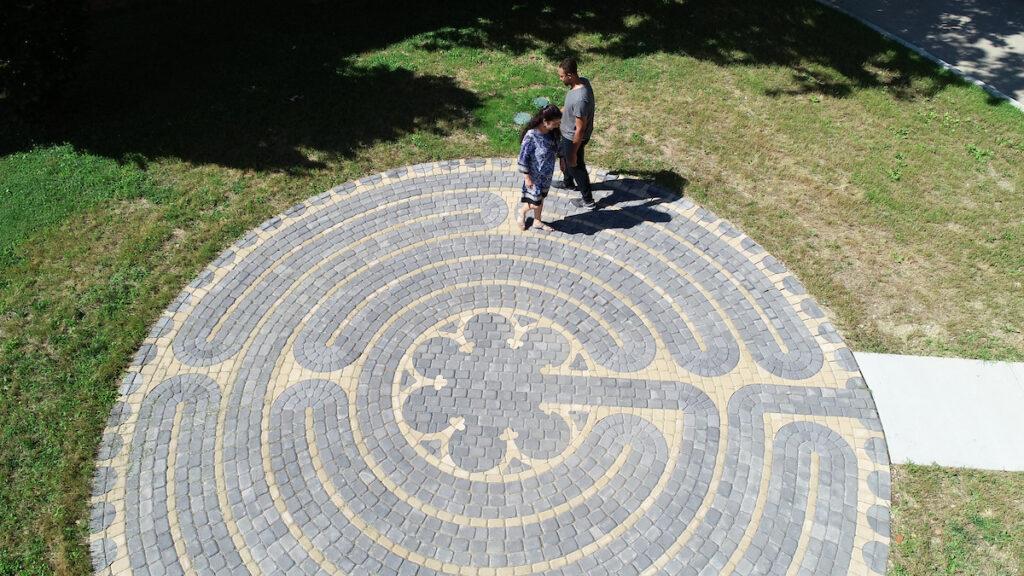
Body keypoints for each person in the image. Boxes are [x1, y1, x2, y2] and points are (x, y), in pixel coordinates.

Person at [556, 57, 596, 208]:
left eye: (562, 76)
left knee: (575, 165)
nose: (560, 79)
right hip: (566, 132)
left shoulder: (580, 99)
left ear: (570, 75)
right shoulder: (582, 82)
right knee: (564, 158)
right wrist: (557, 114)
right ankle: (568, 183)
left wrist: (573, 151)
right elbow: (569, 108)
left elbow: (580, 128)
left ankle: (588, 200)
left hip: (573, 137)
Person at [516, 104, 562, 231]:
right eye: (555, 123)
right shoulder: (531, 136)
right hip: (534, 176)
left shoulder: (552, 133)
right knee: (536, 202)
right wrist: (527, 177)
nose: (557, 126)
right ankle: (522, 211)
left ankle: (537, 221)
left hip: (546, 174)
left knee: (540, 198)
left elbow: (558, 149)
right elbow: (523, 158)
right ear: (545, 121)